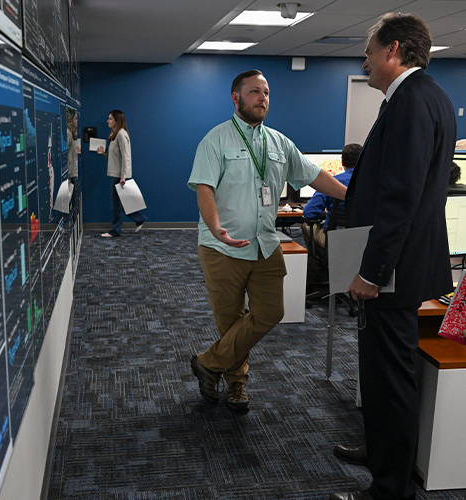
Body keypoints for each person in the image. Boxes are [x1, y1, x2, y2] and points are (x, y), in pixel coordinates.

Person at [330, 13, 457, 500]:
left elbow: (400, 198)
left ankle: (390, 487)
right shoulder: (430, 97)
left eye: (368, 50)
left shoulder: (410, 103)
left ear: (393, 50)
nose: (363, 60)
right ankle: (382, 450)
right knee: (380, 373)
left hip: (392, 270)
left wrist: (371, 271)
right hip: (404, 263)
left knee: (391, 376)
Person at [187, 69, 347, 413]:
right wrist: (215, 228)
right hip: (223, 247)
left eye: (266, 92)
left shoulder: (278, 142)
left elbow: (314, 175)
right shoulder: (215, 141)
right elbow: (204, 187)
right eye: (255, 92)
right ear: (236, 98)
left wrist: (349, 194)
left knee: (271, 311)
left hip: (265, 243)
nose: (263, 98)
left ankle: (208, 362)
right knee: (230, 319)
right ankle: (237, 384)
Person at [302, 143, 362, 250]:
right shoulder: (374, 183)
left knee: (305, 226)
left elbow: (308, 213)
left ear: (342, 162)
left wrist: (326, 214)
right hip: (364, 238)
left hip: (336, 239)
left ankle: (317, 263)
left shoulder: (331, 183)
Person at [97, 109, 147, 237]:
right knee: (121, 203)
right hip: (117, 173)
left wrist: (123, 176)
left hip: (120, 175)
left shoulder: (121, 134)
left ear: (117, 121)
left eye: (110, 119)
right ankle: (138, 219)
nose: (107, 121)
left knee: (116, 203)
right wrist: (104, 153)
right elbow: (116, 157)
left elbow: (126, 157)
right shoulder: (115, 134)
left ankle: (116, 230)